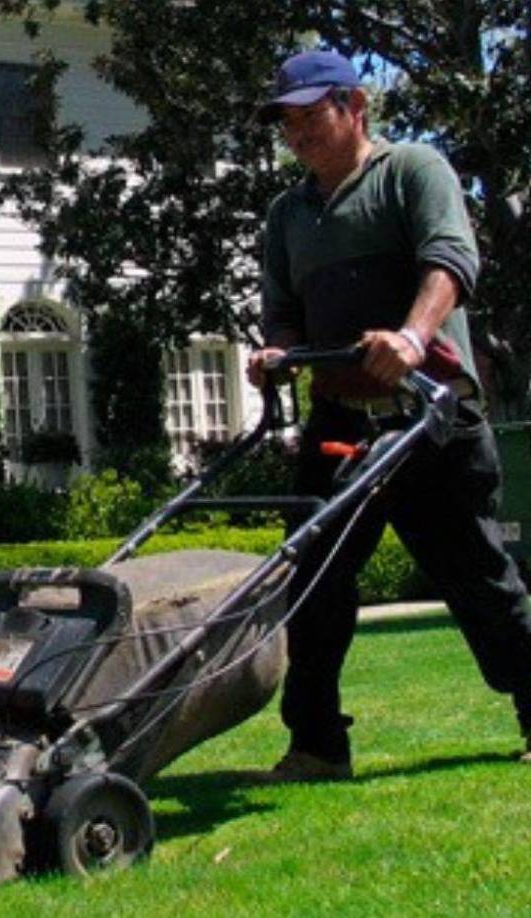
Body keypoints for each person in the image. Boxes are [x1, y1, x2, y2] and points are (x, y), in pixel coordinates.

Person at [247, 49, 531, 780]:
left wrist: (411, 337)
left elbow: (451, 261)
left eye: (312, 116)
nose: (299, 134)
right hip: (341, 421)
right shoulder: (288, 213)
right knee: (311, 585)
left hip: (428, 418)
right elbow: (282, 311)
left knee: (481, 584)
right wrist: (277, 353)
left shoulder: (412, 170)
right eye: (288, 123)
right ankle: (316, 745)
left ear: (355, 106)